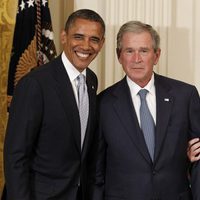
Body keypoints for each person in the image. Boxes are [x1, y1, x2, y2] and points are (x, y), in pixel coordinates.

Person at [91, 21, 200, 200]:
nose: (136, 59)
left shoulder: (185, 96)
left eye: (144, 50)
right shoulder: (103, 103)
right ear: (119, 56)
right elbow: (96, 171)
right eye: (129, 51)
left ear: (156, 56)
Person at [3, 9, 105, 200]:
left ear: (102, 43)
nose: (86, 45)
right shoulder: (35, 84)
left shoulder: (91, 80)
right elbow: (15, 157)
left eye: (94, 39)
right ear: (64, 37)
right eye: (78, 37)